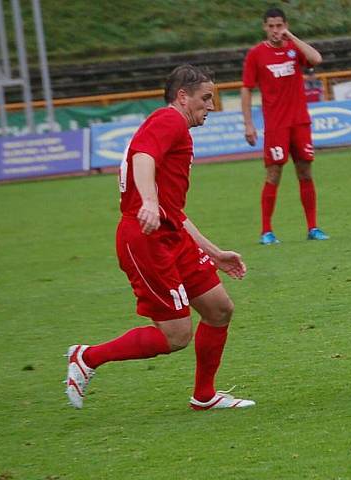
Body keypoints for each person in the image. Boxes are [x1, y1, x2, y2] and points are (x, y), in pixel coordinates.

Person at [65, 65, 254, 410]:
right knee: (176, 335)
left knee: (219, 309)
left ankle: (204, 396)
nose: (211, 106)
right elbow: (143, 156)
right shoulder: (169, 121)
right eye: (206, 98)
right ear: (183, 97)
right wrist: (149, 202)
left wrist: (213, 253)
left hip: (171, 234)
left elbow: (175, 211)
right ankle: (87, 357)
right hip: (146, 238)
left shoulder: (175, 127)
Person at [241, 7, 329, 245]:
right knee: (273, 174)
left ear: (285, 25)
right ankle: (266, 231)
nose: (275, 30)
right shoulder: (256, 54)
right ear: (264, 27)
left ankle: (313, 227)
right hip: (276, 126)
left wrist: (292, 37)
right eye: (271, 26)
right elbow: (246, 89)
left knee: (305, 171)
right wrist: (249, 124)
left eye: (279, 25)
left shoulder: (294, 49)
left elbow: (316, 59)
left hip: (300, 122)